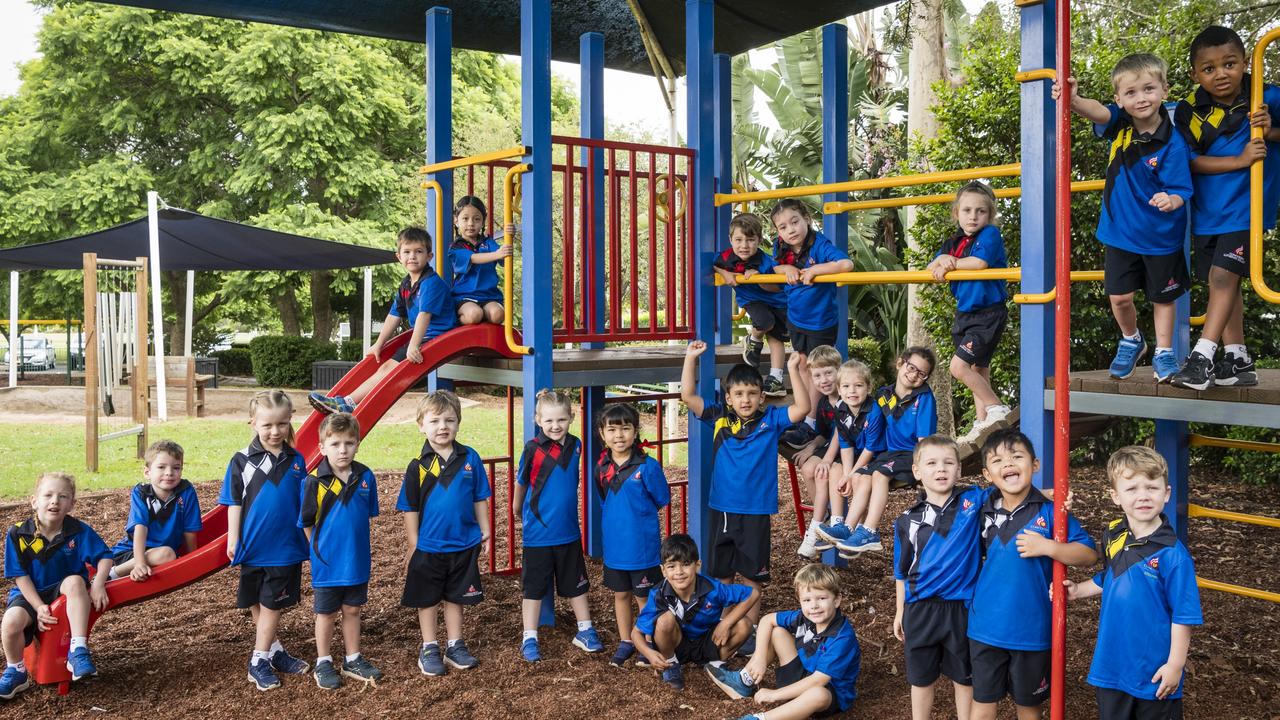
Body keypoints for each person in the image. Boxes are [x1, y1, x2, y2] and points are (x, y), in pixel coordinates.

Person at [1054, 55, 1194, 383]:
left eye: (1148, 89)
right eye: (1130, 93)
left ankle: (1164, 351)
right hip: (1119, 233)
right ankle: (1132, 339)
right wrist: (1073, 100)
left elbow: (1180, 187)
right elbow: (1097, 111)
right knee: (1119, 296)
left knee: (1164, 296)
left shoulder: (1172, 141)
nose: (1141, 98)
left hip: (1162, 236)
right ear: (1120, 99)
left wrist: (1171, 199)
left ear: (1164, 90)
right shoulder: (1119, 122)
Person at [1171, 25, 1280, 390]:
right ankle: (1237, 357)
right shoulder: (1189, 111)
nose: (1221, 74)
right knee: (1221, 283)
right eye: (1209, 68)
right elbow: (1187, 161)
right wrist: (1239, 159)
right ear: (1195, 74)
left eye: (1230, 64)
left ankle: (1201, 357)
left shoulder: (1265, 96)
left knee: (1222, 277)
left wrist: (1271, 131)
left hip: (1246, 209)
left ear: (1246, 62)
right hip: (1207, 213)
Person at [968, 429, 1098, 720]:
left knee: (1029, 706)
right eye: (998, 460)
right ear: (988, 474)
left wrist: (1049, 547)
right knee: (983, 701)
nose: (1008, 464)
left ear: (1035, 465)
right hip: (985, 626)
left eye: (1017, 456)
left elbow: (1089, 555)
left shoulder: (1051, 513)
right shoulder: (981, 509)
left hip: (1032, 630)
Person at [1065, 446, 1202, 720]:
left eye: (1152, 487)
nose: (1143, 496)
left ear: (1166, 493)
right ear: (1116, 496)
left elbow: (1183, 616)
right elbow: (1112, 576)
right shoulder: (1114, 534)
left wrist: (1175, 665)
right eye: (1132, 488)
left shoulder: (1172, 554)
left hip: (1154, 672)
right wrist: (1079, 590)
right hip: (1112, 665)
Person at [681, 341, 809, 622]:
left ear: (762, 397)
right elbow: (688, 396)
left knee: (753, 576)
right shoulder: (719, 418)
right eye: (738, 394)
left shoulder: (772, 419)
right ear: (728, 398)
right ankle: (722, 624)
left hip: (756, 510)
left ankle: (749, 630)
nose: (746, 400)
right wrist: (690, 358)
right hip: (723, 508)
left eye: (752, 394)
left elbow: (802, 408)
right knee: (722, 573)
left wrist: (792, 370)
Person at [893, 435, 996, 720]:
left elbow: (1013, 494)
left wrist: (1049, 495)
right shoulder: (906, 520)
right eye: (932, 463)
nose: (941, 469)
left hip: (961, 607)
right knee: (921, 678)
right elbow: (901, 572)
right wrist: (900, 610)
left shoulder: (974, 499)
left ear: (959, 470)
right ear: (917, 472)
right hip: (919, 608)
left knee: (964, 677)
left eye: (949, 463)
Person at [309, 226, 456, 414]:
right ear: (399, 257)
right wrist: (379, 344)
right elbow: (394, 315)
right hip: (424, 336)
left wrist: (413, 345)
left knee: (388, 368)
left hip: (436, 338)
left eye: (419, 252)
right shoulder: (406, 284)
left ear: (429, 256)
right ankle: (347, 401)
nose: (412, 256)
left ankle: (347, 403)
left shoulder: (431, 283)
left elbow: (424, 315)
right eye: (407, 252)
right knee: (385, 366)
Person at [221, 390, 312, 691]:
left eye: (282, 424)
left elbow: (304, 504)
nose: (275, 432)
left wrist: (311, 539)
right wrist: (233, 538)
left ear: (289, 422)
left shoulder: (297, 461)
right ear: (253, 424)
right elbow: (234, 502)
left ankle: (258, 660)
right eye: (267, 425)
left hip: (284, 547)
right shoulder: (241, 461)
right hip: (253, 545)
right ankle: (275, 651)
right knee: (258, 603)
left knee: (272, 604)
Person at [397, 390, 491, 677]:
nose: (442, 426)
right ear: (421, 425)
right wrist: (414, 543)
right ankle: (429, 647)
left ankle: (455, 645)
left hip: (463, 543)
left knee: (456, 597)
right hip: (429, 546)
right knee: (427, 599)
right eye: (435, 420)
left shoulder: (470, 458)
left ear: (458, 424)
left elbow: (479, 497)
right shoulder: (418, 466)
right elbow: (409, 507)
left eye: (449, 420)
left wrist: (485, 530)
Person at [1, 472, 112, 698]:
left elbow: (105, 557)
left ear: (71, 504)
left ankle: (78, 649)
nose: (55, 501)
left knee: (74, 582)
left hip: (64, 586)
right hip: (31, 591)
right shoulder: (18, 533)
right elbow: (20, 576)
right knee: (10, 623)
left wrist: (98, 583)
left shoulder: (77, 531)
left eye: (63, 496)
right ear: (34, 500)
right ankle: (16, 671)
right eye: (48, 495)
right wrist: (39, 606)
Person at [706, 563, 861, 720]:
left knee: (818, 694)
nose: (814, 606)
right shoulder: (804, 617)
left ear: (836, 600)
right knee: (778, 632)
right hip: (803, 676)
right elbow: (767, 620)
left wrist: (774, 695)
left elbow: (818, 680)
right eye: (807, 600)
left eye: (821, 598)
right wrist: (759, 658)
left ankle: (761, 718)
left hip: (827, 695)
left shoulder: (842, 637)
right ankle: (745, 680)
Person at [514, 389, 600, 662]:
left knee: (577, 584)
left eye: (561, 419)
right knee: (534, 588)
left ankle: (584, 630)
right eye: (549, 420)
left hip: (568, 532)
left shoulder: (576, 445)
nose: (555, 426)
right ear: (538, 419)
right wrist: (517, 509)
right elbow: (522, 483)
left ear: (571, 418)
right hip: (538, 534)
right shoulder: (532, 449)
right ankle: (529, 636)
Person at [298, 413, 382, 690]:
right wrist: (319, 550)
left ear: (358, 444)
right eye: (334, 444)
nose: (342, 450)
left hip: (356, 560)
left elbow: (365, 516)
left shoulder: (366, 476)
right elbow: (306, 523)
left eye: (348, 443)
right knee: (326, 613)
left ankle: (352, 658)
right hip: (327, 563)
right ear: (322, 448)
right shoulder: (313, 482)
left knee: (353, 609)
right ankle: (324, 661)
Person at [925, 181, 1013, 439]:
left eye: (980, 211)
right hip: (965, 313)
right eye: (967, 210)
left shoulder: (989, 235)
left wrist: (950, 264)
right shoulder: (954, 241)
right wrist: (942, 260)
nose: (973, 216)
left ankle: (996, 406)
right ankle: (982, 420)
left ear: (990, 215)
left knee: (958, 367)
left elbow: (979, 263)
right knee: (977, 369)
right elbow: (936, 263)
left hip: (988, 312)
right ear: (957, 213)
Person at [837, 346, 938, 556]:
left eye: (922, 373)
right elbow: (871, 423)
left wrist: (923, 467)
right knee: (860, 476)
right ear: (900, 363)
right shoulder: (883, 395)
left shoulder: (923, 398)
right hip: (888, 454)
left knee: (880, 474)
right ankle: (847, 530)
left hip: (911, 454)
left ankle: (870, 532)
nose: (914, 375)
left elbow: (924, 440)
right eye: (911, 367)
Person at [594, 402, 670, 667]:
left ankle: (646, 641)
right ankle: (626, 640)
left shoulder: (647, 466)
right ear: (602, 433)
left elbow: (662, 498)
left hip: (642, 547)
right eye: (612, 429)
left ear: (635, 431)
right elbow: (604, 499)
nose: (619, 435)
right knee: (620, 595)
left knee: (644, 597)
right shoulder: (601, 467)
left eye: (625, 428)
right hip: (615, 547)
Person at [631, 534, 758, 691]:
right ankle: (671, 664)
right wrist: (649, 653)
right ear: (663, 570)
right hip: (676, 644)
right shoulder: (658, 594)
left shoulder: (712, 588)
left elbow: (753, 594)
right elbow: (636, 633)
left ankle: (714, 664)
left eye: (685, 564)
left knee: (744, 624)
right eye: (671, 566)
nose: (679, 572)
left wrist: (726, 622)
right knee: (664, 620)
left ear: (697, 565)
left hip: (707, 640)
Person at [714, 212, 789, 397]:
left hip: (777, 301)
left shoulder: (764, 262)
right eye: (738, 240)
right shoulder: (725, 256)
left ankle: (776, 379)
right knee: (764, 321)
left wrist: (761, 280)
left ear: (759, 240)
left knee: (777, 338)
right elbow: (713, 263)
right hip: (752, 300)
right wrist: (725, 274)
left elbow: (776, 288)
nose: (744, 245)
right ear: (730, 239)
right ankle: (754, 340)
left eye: (750, 240)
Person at [814, 359, 885, 550]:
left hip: (876, 456)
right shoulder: (841, 409)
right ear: (839, 388)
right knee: (836, 469)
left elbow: (871, 448)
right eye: (846, 386)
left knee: (860, 478)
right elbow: (844, 444)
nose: (852, 391)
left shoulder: (873, 411)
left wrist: (853, 474)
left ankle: (849, 527)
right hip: (856, 454)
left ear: (868, 388)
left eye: (858, 386)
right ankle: (837, 523)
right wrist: (847, 474)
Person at [769, 199, 854, 357]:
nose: (791, 230)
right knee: (802, 363)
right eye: (783, 227)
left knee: (819, 367)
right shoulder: (780, 246)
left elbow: (846, 264)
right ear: (778, 231)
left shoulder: (819, 245)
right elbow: (773, 268)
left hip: (820, 320)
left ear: (807, 219)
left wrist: (817, 269)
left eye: (795, 222)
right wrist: (787, 268)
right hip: (795, 317)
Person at [107, 440, 201, 582]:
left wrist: (192, 560)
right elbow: (140, 528)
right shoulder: (141, 493)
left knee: (167, 554)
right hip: (131, 554)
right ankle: (112, 574)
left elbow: (190, 530)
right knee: (167, 554)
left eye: (176, 468)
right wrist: (139, 564)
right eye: (161, 467)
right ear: (147, 472)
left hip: (162, 553)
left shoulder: (186, 491)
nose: (169, 473)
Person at [785, 345, 844, 559]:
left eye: (829, 373)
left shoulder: (846, 398)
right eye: (817, 376)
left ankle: (817, 525)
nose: (824, 380)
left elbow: (841, 434)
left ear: (840, 371)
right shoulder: (821, 403)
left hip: (849, 448)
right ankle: (824, 514)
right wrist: (811, 447)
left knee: (821, 469)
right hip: (830, 445)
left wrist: (826, 459)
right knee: (807, 468)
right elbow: (822, 433)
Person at [450, 195, 513, 325]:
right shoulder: (456, 247)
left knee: (498, 314)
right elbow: (473, 258)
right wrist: (497, 254)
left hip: (488, 295)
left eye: (476, 219)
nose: (471, 224)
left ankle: (483, 322)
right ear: (456, 220)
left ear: (483, 222)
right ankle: (454, 322)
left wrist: (508, 237)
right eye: (465, 219)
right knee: (474, 315)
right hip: (464, 296)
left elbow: (504, 260)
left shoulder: (488, 243)